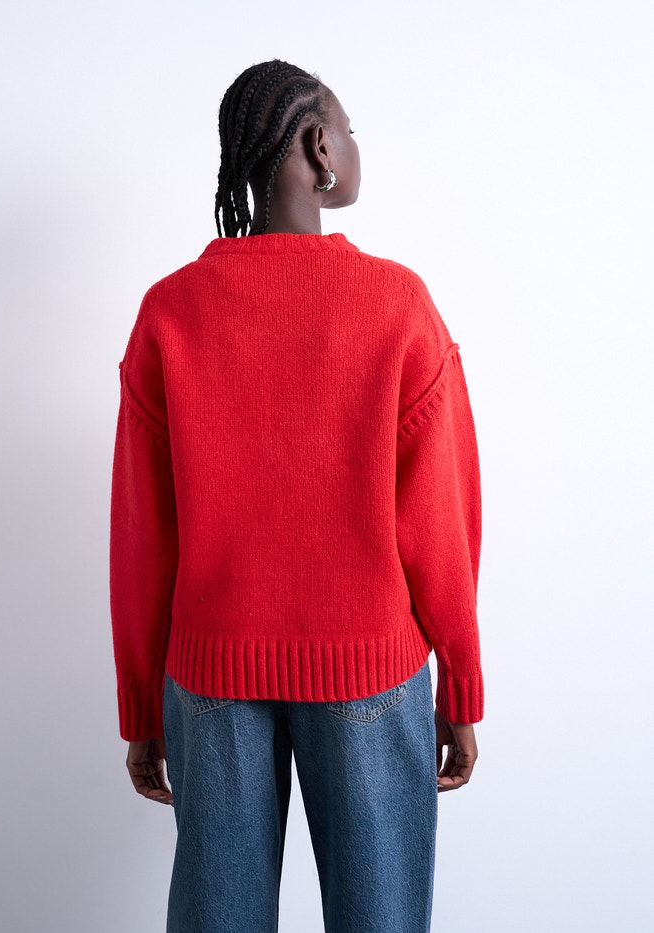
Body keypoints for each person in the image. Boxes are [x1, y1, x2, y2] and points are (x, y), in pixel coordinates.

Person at [110, 59, 484, 933]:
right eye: (348, 130)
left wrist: (140, 703)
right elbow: (441, 519)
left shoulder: (170, 311)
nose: (352, 146)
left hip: (209, 673)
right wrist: (461, 685)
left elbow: (141, 535)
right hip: (371, 669)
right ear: (319, 146)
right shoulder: (397, 304)